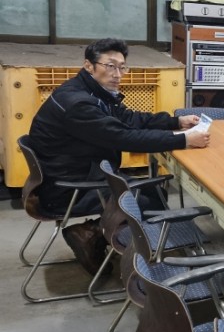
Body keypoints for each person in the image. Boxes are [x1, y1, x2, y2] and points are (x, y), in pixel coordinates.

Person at [28, 38, 210, 273]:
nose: (117, 74)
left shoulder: (91, 91)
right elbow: (125, 137)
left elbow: (128, 119)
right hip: (69, 189)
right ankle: (93, 233)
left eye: (122, 67)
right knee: (149, 199)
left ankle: (94, 233)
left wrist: (175, 122)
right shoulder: (79, 104)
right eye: (110, 66)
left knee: (153, 191)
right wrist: (183, 140)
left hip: (75, 173)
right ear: (89, 65)